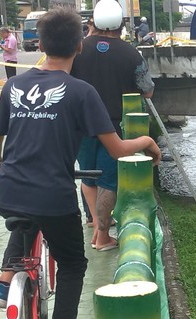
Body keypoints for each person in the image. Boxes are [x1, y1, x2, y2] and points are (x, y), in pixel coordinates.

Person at [0, 8, 161, 319]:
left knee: (25, 215)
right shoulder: (81, 91)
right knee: (73, 264)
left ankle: (4, 282)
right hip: (54, 197)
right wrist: (146, 140)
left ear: (41, 44)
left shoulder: (14, 85)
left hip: (9, 191)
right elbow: (116, 150)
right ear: (79, 46)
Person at [71, 0, 155, 251]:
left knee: (87, 174)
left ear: (93, 22)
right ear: (121, 24)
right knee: (109, 180)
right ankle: (103, 234)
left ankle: (94, 222)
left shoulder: (77, 48)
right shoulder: (131, 53)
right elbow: (148, 91)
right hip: (114, 125)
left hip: (80, 124)